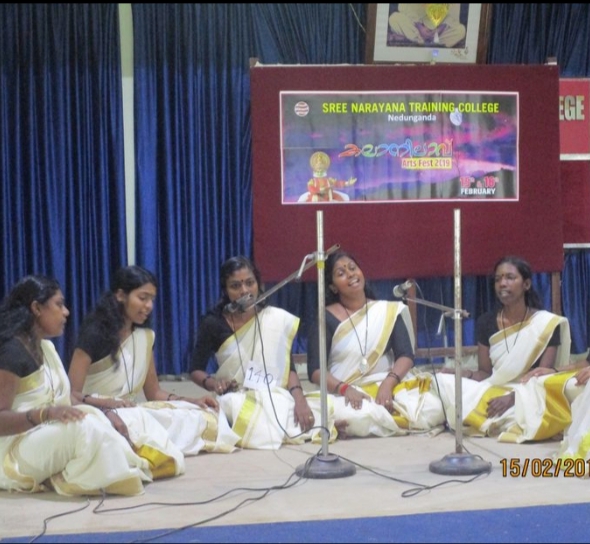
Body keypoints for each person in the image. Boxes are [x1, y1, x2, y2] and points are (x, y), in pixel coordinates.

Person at [68, 265, 239, 462]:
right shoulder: (94, 334)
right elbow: (71, 395)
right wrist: (107, 404)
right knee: (129, 428)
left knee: (200, 414)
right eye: (143, 298)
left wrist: (191, 401)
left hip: (130, 412)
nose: (149, 306)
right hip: (97, 414)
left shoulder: (145, 336)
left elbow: (154, 393)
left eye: (152, 299)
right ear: (121, 295)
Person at [0, 275, 152, 496]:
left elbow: (63, 398)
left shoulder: (46, 348)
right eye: (59, 304)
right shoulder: (12, 352)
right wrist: (45, 414)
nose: (66, 312)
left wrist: (105, 410)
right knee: (81, 429)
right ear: (37, 308)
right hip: (13, 451)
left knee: (97, 418)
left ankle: (106, 471)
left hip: (43, 433)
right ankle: (89, 477)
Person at [190, 256, 333, 449]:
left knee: (323, 407)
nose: (244, 291)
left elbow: (288, 369)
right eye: (235, 286)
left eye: (250, 283)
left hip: (276, 393)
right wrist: (214, 383)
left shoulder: (274, 318)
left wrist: (300, 400)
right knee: (251, 417)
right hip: (237, 396)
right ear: (225, 290)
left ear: (259, 284)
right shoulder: (213, 323)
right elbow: (196, 369)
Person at [437, 255, 579, 443]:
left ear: (526, 284)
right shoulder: (486, 322)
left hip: (528, 394)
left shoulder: (546, 324)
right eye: (498, 279)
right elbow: (485, 373)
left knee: (531, 413)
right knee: (441, 381)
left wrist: (513, 398)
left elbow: (541, 378)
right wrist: (461, 373)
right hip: (493, 388)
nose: (502, 284)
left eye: (510, 278)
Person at [306, 249, 445, 439]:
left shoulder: (386, 310)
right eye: (341, 273)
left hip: (387, 385)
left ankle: (366, 422)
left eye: (353, 268)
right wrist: (345, 389)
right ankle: (389, 419)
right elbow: (315, 370)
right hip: (345, 392)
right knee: (352, 414)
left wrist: (388, 384)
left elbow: (405, 355)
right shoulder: (325, 317)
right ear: (333, 287)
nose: (350, 274)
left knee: (433, 406)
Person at [388, 4, 466, 48]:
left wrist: (439, 30)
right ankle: (423, 43)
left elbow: (452, 15)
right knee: (394, 18)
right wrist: (419, 26)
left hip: (438, 32)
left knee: (460, 30)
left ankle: (415, 42)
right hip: (416, 27)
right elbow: (404, 7)